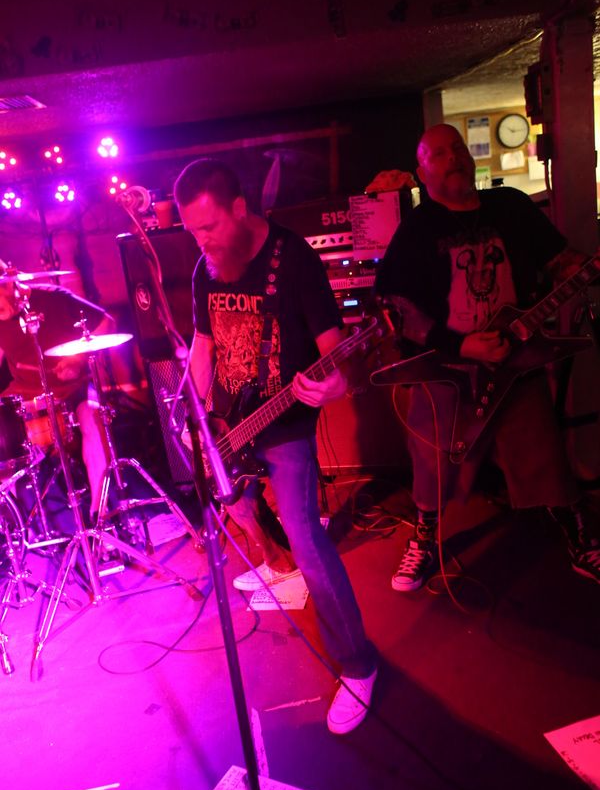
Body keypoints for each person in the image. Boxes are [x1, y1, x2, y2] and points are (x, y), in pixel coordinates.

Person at [174, 158, 377, 734]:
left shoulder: (295, 260)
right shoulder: (206, 268)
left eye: (209, 227)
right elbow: (204, 344)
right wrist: (194, 415)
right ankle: (271, 563)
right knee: (234, 504)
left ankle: (358, 665)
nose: (201, 241)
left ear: (240, 209)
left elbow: (337, 348)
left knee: (307, 537)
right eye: (192, 230)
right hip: (227, 425)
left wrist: (337, 384)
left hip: (284, 423)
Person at [376, 123, 599, 591]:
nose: (453, 157)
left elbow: (560, 261)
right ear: (422, 172)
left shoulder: (511, 206)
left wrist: (587, 268)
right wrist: (460, 344)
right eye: (439, 154)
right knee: (431, 460)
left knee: (542, 451)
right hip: (447, 369)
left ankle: (580, 535)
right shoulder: (417, 228)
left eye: (458, 148)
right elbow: (396, 305)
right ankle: (425, 537)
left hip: (515, 359)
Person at [0, 265, 112, 519]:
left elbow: (106, 322)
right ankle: (13, 523)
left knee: (92, 418)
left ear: (9, 283)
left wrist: (77, 361)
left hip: (71, 391)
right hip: (25, 397)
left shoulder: (55, 298)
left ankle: (100, 511)